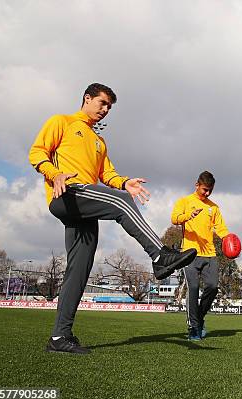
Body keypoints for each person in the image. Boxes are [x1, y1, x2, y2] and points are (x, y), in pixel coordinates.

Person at [29, 83, 197, 354]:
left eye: (109, 107)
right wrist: (54, 174)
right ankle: (160, 256)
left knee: (78, 271)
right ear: (87, 98)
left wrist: (125, 182)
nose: (105, 110)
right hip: (67, 194)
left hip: (85, 205)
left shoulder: (99, 142)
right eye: (102, 103)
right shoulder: (62, 122)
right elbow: (37, 152)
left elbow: (107, 175)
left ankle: (60, 337)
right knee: (120, 203)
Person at [171, 171, 230, 341]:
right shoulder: (184, 201)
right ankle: (193, 327)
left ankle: (200, 318)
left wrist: (230, 240)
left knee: (212, 287)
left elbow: (221, 229)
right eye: (205, 189)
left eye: (210, 190)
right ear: (197, 185)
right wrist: (187, 216)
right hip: (189, 253)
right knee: (194, 289)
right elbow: (174, 218)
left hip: (210, 254)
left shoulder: (214, 207)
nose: (207, 193)